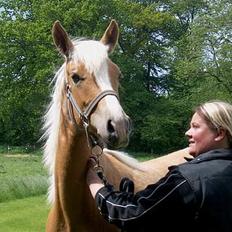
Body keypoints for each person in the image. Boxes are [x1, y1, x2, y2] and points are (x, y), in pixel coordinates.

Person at [86, 100, 232, 232]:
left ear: (219, 133)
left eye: (195, 127)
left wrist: (97, 185)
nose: (188, 133)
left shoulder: (187, 180)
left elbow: (133, 216)